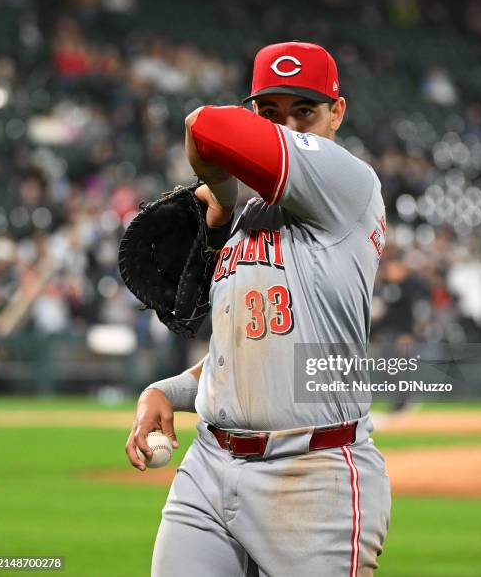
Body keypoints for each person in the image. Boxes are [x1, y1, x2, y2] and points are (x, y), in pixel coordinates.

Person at [125, 41, 391, 577]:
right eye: (270, 113)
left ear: (338, 114)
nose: (288, 127)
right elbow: (243, 348)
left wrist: (220, 193)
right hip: (209, 465)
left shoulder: (348, 182)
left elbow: (204, 125)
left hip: (311, 476)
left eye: (305, 112)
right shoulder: (250, 216)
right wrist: (168, 391)